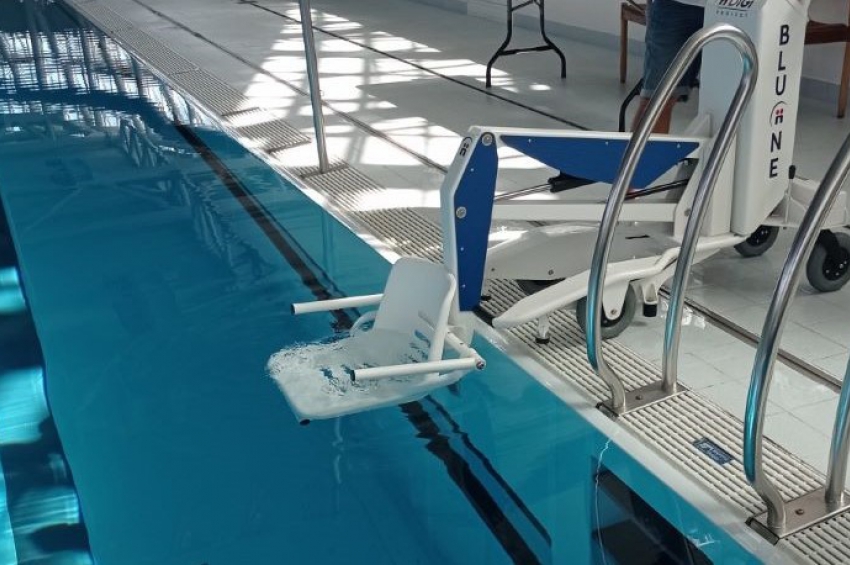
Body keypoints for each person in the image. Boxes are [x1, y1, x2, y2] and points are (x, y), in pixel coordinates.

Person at [632, 0, 706, 134]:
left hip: (734, 9)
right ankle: (642, 148)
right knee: (655, 101)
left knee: (728, 100)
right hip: (673, 6)